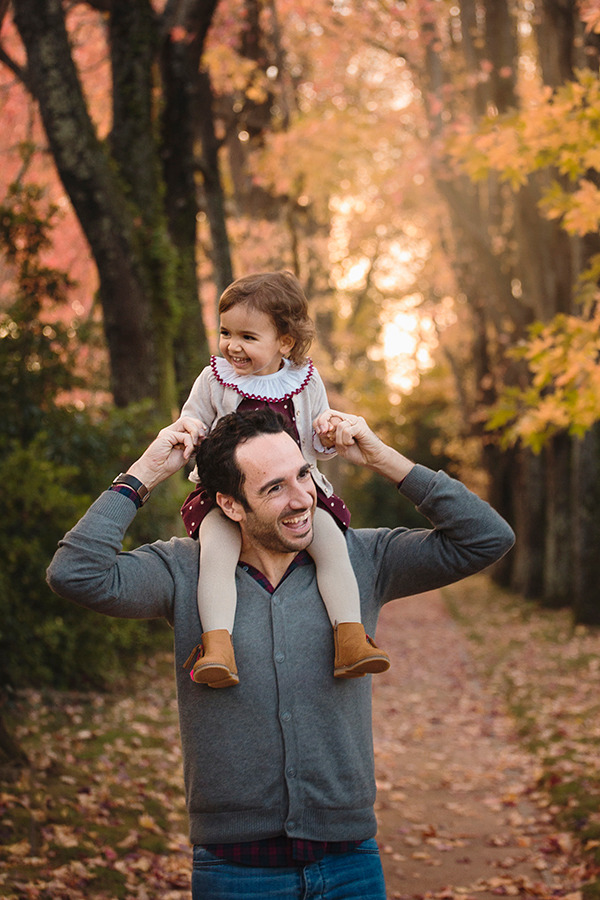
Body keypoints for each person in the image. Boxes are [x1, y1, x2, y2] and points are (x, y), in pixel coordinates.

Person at [47, 407, 514, 900]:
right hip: (235, 870)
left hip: (351, 864)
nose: (302, 499)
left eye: (303, 475)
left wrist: (384, 460)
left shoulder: (363, 559)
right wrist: (143, 474)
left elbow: (486, 538)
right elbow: (76, 573)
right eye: (274, 488)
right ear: (229, 504)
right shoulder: (182, 572)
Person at [178, 270, 389, 687]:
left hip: (297, 490)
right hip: (229, 491)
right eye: (226, 332)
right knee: (216, 555)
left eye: (248, 337)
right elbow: (192, 416)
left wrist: (329, 430)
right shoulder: (216, 378)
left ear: (285, 343)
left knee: (332, 545)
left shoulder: (304, 382)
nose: (232, 346)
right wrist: (187, 431)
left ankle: (350, 637)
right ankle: (218, 645)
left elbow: (318, 434)